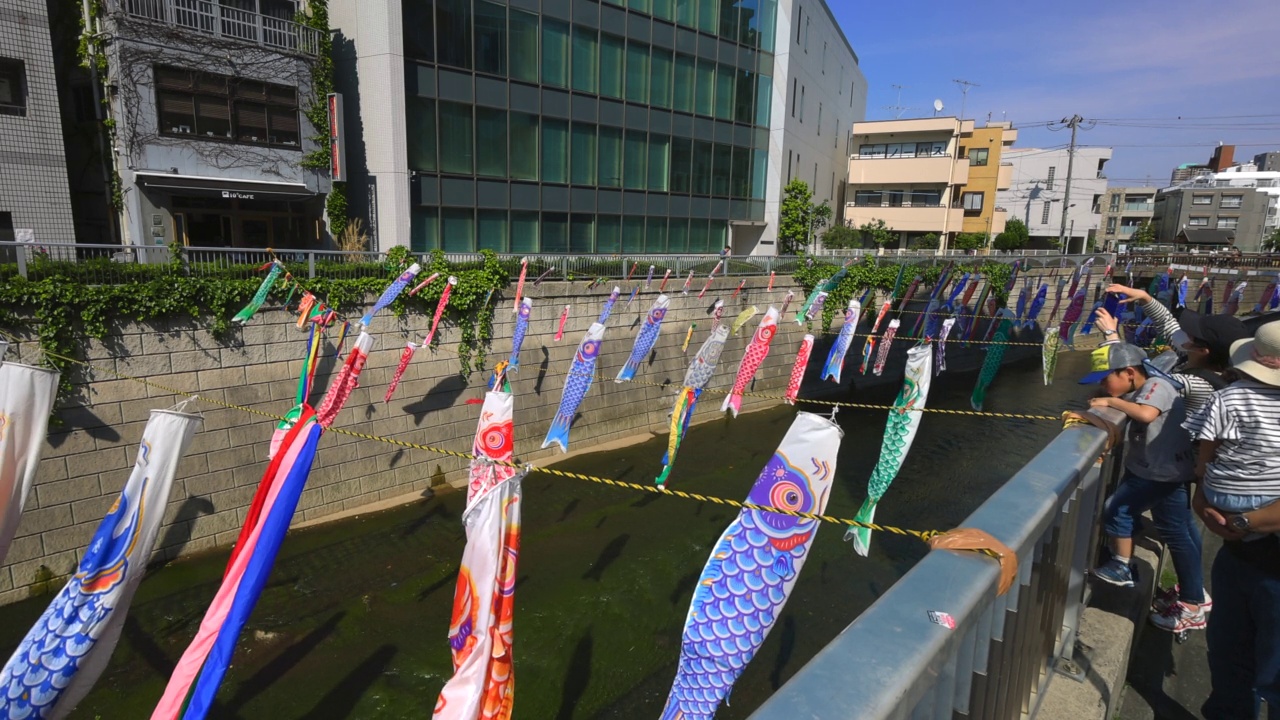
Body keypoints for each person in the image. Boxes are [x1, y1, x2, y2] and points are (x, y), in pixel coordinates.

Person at [1082, 341, 1205, 633]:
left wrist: (1111, 402)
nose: (1103, 385)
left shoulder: (1155, 386)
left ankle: (1122, 565)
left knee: (1117, 509)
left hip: (1158, 472)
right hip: (1165, 468)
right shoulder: (1144, 384)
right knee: (1178, 530)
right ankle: (1193, 598)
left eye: (1105, 378)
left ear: (1128, 373)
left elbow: (1146, 415)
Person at [1189, 323, 1280, 718]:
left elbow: (1205, 456)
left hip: (1264, 562)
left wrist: (1237, 520)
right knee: (1229, 656)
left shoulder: (1228, 399)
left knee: (1265, 672)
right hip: (1239, 558)